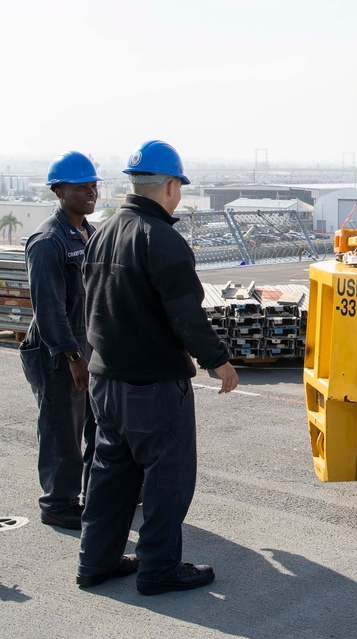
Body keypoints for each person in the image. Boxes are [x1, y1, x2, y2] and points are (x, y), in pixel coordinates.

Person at [77, 140, 239, 595]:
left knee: (111, 476)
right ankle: (158, 569)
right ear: (170, 186)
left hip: (104, 380)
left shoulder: (103, 232)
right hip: (152, 386)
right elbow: (185, 312)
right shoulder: (162, 239)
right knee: (167, 480)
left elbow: (90, 303)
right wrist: (218, 361)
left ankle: (97, 562)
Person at [19, 151, 101, 530]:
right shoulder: (48, 241)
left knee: (93, 424)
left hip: (84, 348)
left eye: (93, 185)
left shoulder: (90, 232)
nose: (90, 191)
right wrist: (72, 356)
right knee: (61, 430)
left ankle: (94, 491)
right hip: (57, 352)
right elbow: (48, 307)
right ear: (58, 191)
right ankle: (58, 503)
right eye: (80, 186)